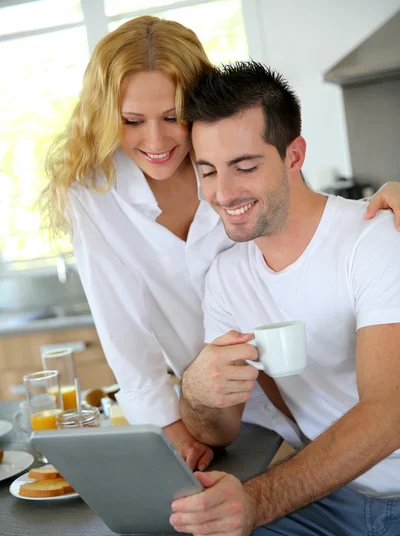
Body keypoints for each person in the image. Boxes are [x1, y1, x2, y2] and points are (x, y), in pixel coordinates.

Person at [43, 15, 400, 472]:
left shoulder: (231, 156)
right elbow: (121, 327)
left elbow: (304, 226)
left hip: (311, 396)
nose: (155, 141)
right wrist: (168, 427)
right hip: (212, 415)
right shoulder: (94, 194)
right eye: (132, 121)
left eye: (173, 117)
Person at [172, 62, 400, 536]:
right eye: (207, 170)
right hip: (330, 510)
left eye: (244, 166)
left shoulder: (374, 240)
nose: (223, 192)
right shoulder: (226, 278)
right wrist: (198, 393)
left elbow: (388, 413)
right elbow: (216, 432)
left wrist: (260, 500)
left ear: (293, 156)